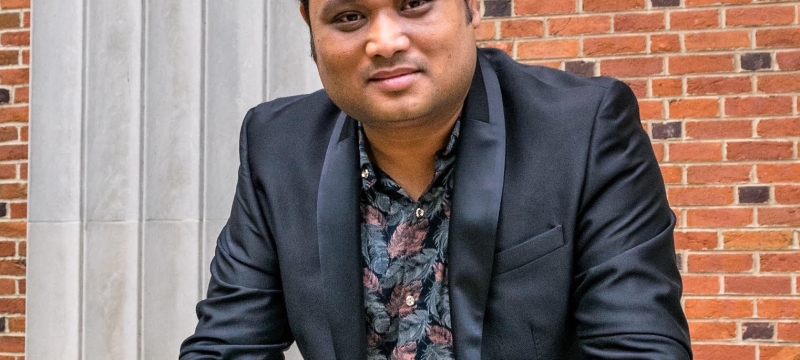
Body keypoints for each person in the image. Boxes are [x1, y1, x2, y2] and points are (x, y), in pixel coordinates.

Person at [180, 0, 692, 359]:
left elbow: (639, 347)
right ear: (310, 27)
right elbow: (228, 344)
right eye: (349, 16)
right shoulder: (277, 144)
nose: (384, 42)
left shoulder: (583, 130)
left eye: (414, 3)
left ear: (472, 6)